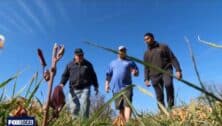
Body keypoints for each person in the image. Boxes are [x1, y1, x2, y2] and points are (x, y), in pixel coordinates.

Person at [143, 33, 182, 109]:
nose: (146, 41)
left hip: (166, 70)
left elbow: (172, 58)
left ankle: (171, 107)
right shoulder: (146, 53)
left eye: (147, 38)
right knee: (159, 95)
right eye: (145, 40)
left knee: (168, 85)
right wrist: (146, 79)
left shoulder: (163, 46)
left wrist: (178, 70)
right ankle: (163, 112)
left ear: (153, 38)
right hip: (154, 76)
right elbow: (146, 67)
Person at [59, 48, 99, 118]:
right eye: (78, 55)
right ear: (75, 56)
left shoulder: (88, 64)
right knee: (74, 109)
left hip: (85, 89)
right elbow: (65, 75)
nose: (80, 57)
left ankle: (84, 123)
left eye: (81, 55)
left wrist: (96, 86)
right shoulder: (70, 65)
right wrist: (62, 84)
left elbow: (93, 76)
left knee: (84, 107)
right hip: (73, 89)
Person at [105, 46, 139, 122]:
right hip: (115, 88)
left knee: (127, 105)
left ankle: (128, 123)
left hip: (127, 86)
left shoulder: (130, 62)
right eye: (121, 50)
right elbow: (108, 75)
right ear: (118, 52)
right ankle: (122, 122)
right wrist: (106, 85)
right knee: (120, 108)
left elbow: (136, 72)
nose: (123, 52)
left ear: (126, 52)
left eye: (124, 50)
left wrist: (135, 73)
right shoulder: (112, 63)